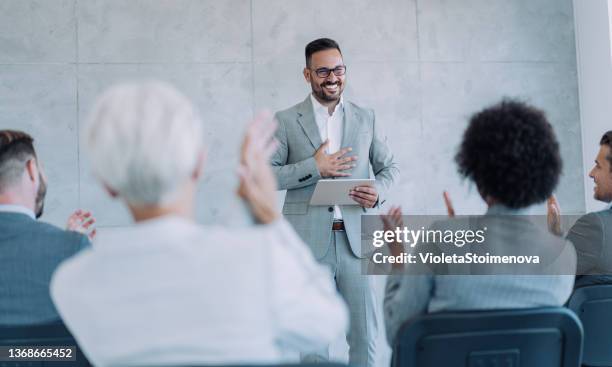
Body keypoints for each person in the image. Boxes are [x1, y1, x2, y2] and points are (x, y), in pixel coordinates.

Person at [50, 81, 348, 366]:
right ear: (199, 164)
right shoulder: (254, 258)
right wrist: (270, 222)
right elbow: (328, 321)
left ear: (107, 184)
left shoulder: (72, 283)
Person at [382, 100, 576, 345]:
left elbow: (397, 333)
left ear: (478, 176)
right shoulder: (564, 254)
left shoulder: (441, 239)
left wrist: (398, 256)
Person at [271, 37, 399, 366]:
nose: (332, 77)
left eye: (338, 69)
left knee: (364, 336)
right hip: (308, 244)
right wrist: (314, 168)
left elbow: (389, 168)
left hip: (357, 240)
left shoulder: (366, 117)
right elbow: (267, 175)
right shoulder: (286, 120)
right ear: (307, 74)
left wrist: (377, 191)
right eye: (323, 70)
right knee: (313, 340)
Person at [0, 130, 95, 325]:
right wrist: (70, 247)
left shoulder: (69, 246)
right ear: (32, 170)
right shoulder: (72, 248)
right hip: (58, 356)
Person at [548, 131, 612, 287]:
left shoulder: (596, 227)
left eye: (598, 166)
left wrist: (553, 236)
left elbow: (549, 280)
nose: (591, 173)